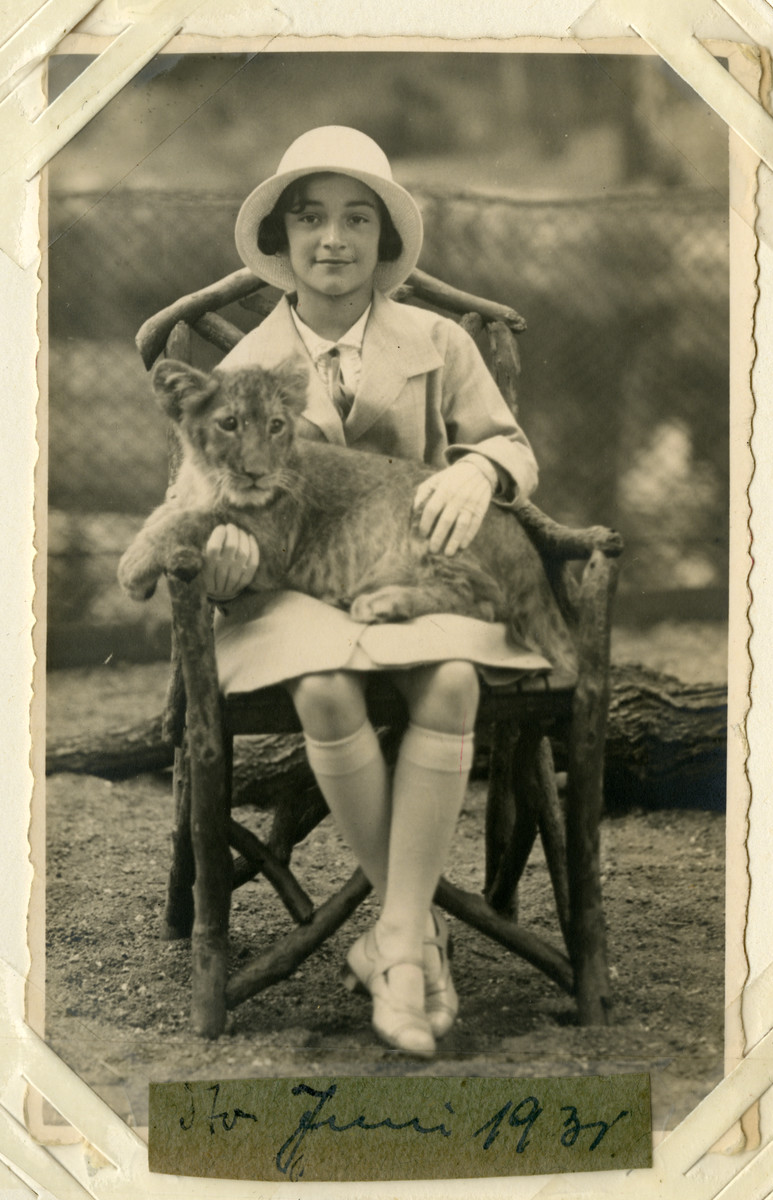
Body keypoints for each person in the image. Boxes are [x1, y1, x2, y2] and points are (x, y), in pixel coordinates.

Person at [202, 126, 542, 1058]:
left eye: (357, 219)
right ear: (281, 238)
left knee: (452, 684)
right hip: (291, 589)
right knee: (321, 684)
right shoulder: (241, 370)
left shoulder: (435, 339)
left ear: (384, 241)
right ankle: (412, 943)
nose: (333, 240)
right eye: (309, 219)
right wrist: (226, 551)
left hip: (417, 578)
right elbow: (202, 497)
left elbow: (509, 443)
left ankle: (392, 940)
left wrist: (476, 473)